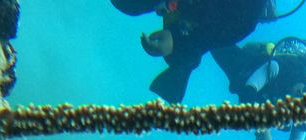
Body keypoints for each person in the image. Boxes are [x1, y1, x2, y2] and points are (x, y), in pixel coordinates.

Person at [110, 0, 277, 103]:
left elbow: (206, 39)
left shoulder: (246, 18)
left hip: (192, 23)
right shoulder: (246, 19)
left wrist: (175, 39)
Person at [212, 37, 306, 140]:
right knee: (213, 40)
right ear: (299, 93)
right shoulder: (279, 67)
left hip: (255, 94)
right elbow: (248, 92)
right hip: (242, 68)